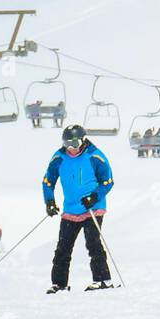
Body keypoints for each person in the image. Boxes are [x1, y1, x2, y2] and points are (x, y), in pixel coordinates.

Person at [42, 124, 116, 293]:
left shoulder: (94, 156)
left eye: (74, 144)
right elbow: (48, 181)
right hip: (71, 209)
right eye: (67, 144)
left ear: (82, 141)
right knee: (63, 246)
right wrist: (50, 202)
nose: (71, 148)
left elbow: (108, 181)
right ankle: (59, 284)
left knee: (93, 243)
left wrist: (95, 196)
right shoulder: (59, 157)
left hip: (92, 208)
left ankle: (102, 280)